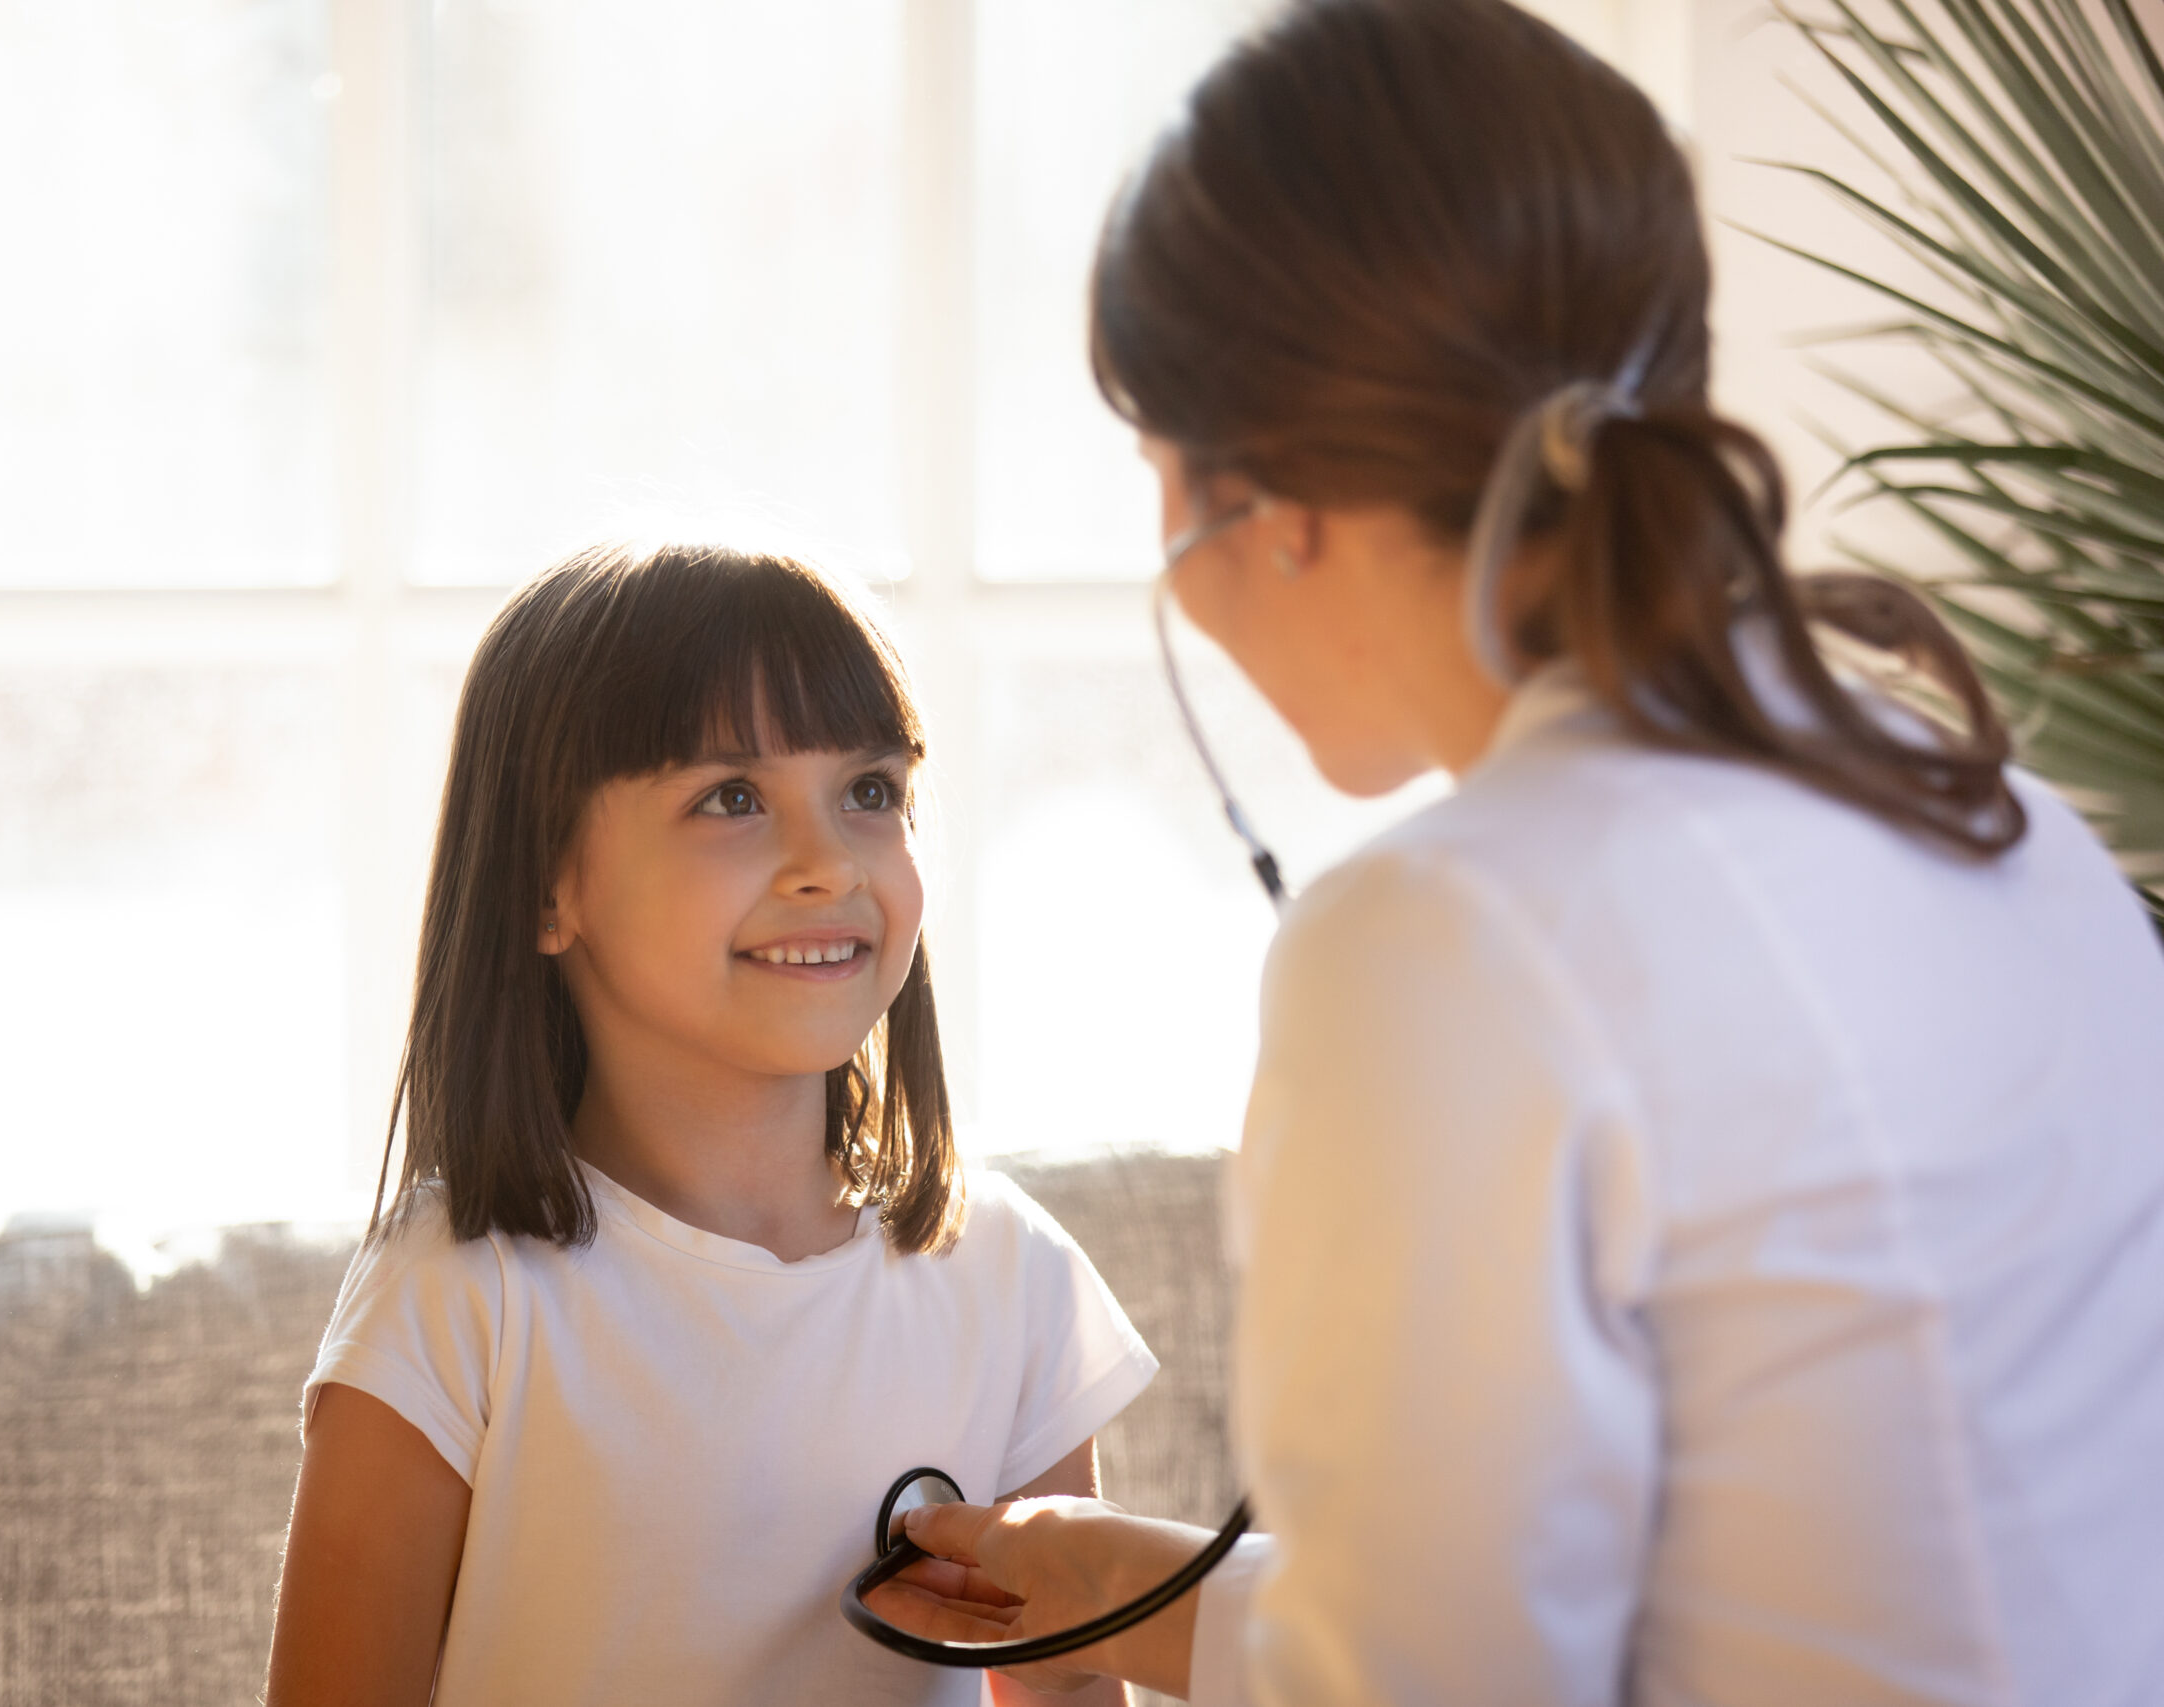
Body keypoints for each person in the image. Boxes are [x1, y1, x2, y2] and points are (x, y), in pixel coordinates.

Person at [867, 1, 2164, 1701]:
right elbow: (1765, 1579)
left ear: (1271, 510)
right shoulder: (1985, 810)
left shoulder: (1448, 942)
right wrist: (1153, 1586)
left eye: (1159, 478)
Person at [262, 541, 1155, 1707]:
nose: (827, 861)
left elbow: (1069, 1690)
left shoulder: (1010, 1276)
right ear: (546, 883)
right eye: (732, 799)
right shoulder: (458, 1297)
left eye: (870, 792)